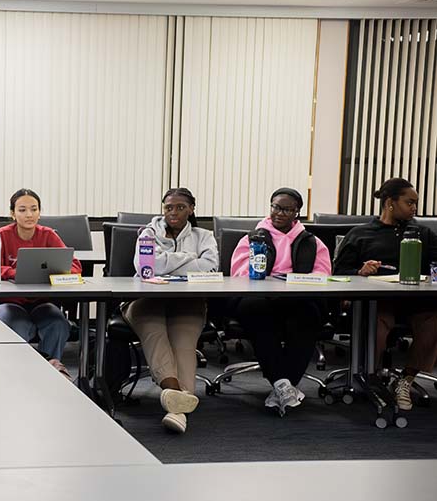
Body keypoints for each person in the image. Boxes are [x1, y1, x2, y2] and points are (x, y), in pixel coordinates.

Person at [333, 178, 437, 410]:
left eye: (416, 204)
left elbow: (435, 267)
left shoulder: (423, 234)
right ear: (390, 203)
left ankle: (405, 380)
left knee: (434, 320)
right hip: (376, 302)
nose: (414, 208)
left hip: (416, 301)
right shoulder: (361, 234)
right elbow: (338, 273)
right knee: (377, 322)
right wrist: (360, 271)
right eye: (409, 202)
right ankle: (372, 379)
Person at [121, 188, 218, 433]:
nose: (173, 212)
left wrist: (167, 261)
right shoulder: (148, 232)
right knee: (156, 336)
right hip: (145, 301)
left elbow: (209, 267)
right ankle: (178, 401)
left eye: (180, 207)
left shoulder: (204, 235)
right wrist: (187, 257)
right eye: (168, 208)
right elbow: (146, 266)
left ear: (191, 209)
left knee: (184, 344)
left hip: (188, 302)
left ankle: (175, 406)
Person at [231, 187, 331, 416]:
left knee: (308, 316)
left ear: (297, 212)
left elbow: (323, 275)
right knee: (257, 313)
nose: (279, 213)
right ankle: (284, 386)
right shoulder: (252, 238)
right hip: (260, 299)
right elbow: (238, 274)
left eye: (286, 209)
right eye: (275, 207)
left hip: (298, 299)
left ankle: (282, 386)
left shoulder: (312, 242)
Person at [0, 189, 81, 376]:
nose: (29, 214)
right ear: (12, 213)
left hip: (41, 301)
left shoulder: (48, 235)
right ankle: (18, 374)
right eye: (22, 210)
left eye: (34, 209)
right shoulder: (1, 235)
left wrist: (50, 274)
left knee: (59, 324)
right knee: (18, 325)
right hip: (8, 301)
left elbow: (74, 266)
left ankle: (50, 374)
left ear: (40, 212)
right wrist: (14, 273)